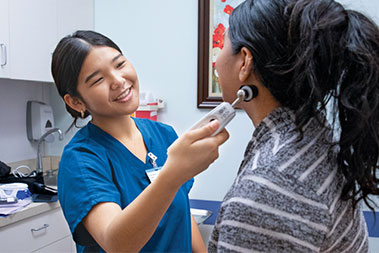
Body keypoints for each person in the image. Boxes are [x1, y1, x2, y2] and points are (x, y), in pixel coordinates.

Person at [209, 0, 379, 252]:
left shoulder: (269, 185)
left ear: (245, 62)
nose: (217, 57)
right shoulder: (313, 135)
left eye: (222, 45)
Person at [51, 30, 229, 252]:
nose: (118, 81)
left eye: (119, 64)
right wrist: (173, 174)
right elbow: (117, 244)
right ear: (76, 102)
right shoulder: (81, 159)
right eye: (98, 79)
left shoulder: (164, 135)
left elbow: (181, 211)